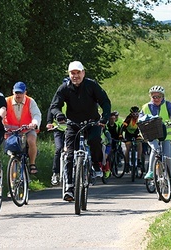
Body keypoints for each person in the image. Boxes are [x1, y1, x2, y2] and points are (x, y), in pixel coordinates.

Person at [50, 61, 111, 201]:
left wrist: (105, 117)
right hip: (73, 124)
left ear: (83, 73)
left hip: (92, 122)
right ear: (69, 74)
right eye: (73, 73)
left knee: (94, 140)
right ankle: (70, 187)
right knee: (70, 154)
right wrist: (59, 114)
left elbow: (105, 101)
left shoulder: (92, 85)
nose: (75, 76)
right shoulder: (64, 88)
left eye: (78, 72)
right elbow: (54, 105)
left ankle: (96, 164)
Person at [140, 85, 171, 195]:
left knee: (167, 156)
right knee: (155, 149)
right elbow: (140, 119)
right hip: (151, 133)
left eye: (158, 96)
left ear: (162, 97)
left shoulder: (168, 105)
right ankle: (150, 171)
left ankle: (169, 176)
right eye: (154, 97)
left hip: (166, 134)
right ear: (151, 97)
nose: (156, 99)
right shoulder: (145, 107)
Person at [3, 82, 42, 174]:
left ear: (25, 93)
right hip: (12, 131)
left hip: (27, 129)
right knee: (13, 153)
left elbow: (36, 114)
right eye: (16, 93)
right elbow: (2, 114)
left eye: (20, 93)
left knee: (31, 140)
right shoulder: (6, 101)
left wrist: (34, 123)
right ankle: (12, 182)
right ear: (13, 92)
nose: (18, 95)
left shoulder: (30, 101)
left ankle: (32, 164)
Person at [46, 103, 66, 185]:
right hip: (58, 129)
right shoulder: (58, 101)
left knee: (73, 150)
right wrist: (49, 123)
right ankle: (55, 173)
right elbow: (51, 109)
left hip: (71, 130)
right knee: (59, 149)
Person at [119, 106, 143, 172]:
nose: (135, 116)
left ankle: (139, 160)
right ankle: (127, 164)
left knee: (139, 144)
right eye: (133, 114)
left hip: (137, 134)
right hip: (128, 134)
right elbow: (122, 127)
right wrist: (120, 135)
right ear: (131, 114)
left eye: (136, 114)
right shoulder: (128, 118)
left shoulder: (140, 118)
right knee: (128, 147)